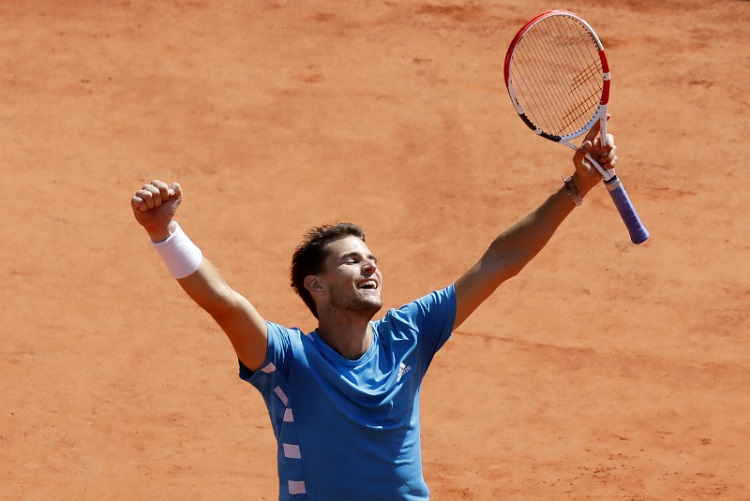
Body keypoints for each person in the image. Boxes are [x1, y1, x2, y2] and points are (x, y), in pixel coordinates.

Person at [131, 120, 617, 500]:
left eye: (372, 260)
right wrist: (164, 233)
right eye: (352, 261)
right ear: (315, 286)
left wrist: (575, 188)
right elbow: (223, 302)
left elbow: (499, 261)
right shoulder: (286, 359)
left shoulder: (409, 333)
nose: (370, 268)